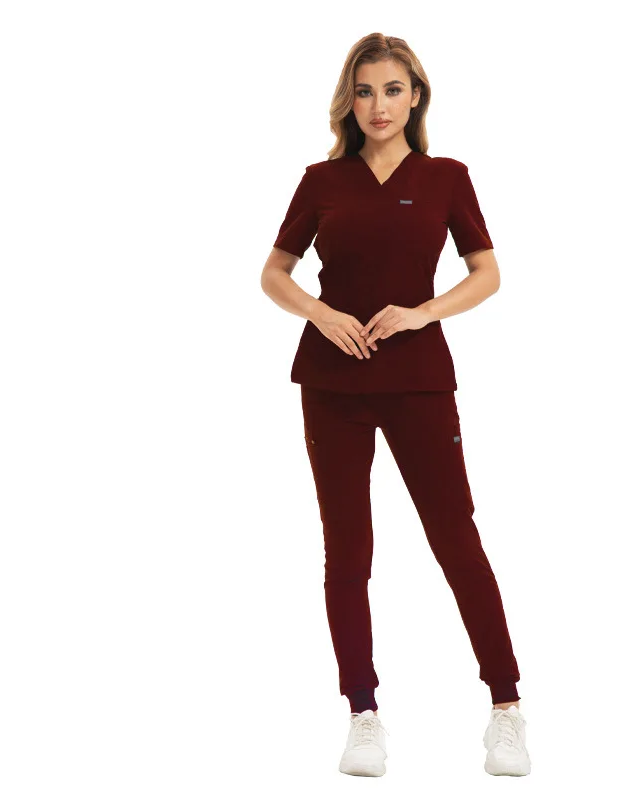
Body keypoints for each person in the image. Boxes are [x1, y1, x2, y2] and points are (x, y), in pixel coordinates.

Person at [261, 33, 531, 778]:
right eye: (364, 90)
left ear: (415, 97)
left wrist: (423, 312)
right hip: (332, 384)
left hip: (419, 382)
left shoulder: (446, 177)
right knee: (348, 550)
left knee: (456, 538)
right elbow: (275, 272)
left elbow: (487, 272)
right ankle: (363, 713)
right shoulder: (321, 180)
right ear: (349, 101)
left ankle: (506, 708)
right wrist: (321, 313)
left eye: (391, 89)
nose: (378, 105)